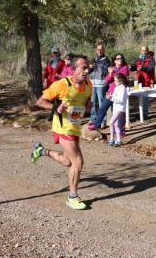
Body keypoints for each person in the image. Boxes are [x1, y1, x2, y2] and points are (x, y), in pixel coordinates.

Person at [31, 55, 92, 210]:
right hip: (62, 127)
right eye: (83, 68)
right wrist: (55, 108)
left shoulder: (88, 84)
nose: (87, 70)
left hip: (75, 126)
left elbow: (87, 103)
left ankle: (41, 150)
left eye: (87, 68)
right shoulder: (62, 85)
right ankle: (72, 197)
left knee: (67, 161)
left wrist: (90, 108)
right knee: (78, 161)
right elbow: (40, 101)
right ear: (72, 69)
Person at [89, 53, 130, 131]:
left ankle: (120, 131)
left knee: (119, 113)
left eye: (121, 58)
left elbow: (121, 79)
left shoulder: (125, 68)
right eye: (117, 59)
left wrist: (112, 73)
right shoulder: (113, 68)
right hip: (111, 93)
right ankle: (97, 124)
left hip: (119, 93)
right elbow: (107, 80)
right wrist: (110, 74)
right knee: (103, 108)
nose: (120, 60)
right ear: (114, 61)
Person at [88, 44, 111, 125]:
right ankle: (93, 118)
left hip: (101, 85)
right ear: (96, 50)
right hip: (92, 84)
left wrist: (97, 67)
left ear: (104, 50)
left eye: (101, 49)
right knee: (93, 102)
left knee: (101, 103)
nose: (99, 51)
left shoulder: (107, 61)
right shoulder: (93, 60)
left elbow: (106, 73)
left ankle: (103, 120)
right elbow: (89, 71)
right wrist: (90, 68)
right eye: (98, 49)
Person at [133, 45, 156, 118]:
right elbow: (135, 67)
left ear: (148, 50)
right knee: (138, 96)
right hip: (138, 80)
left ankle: (145, 114)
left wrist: (142, 68)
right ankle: (141, 113)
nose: (144, 52)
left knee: (145, 97)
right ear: (140, 51)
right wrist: (131, 67)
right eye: (142, 50)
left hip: (147, 80)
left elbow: (151, 69)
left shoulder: (151, 59)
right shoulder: (138, 59)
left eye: (145, 50)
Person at [107, 72, 128, 147]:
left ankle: (112, 138)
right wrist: (111, 96)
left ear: (120, 81)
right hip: (116, 107)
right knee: (116, 124)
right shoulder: (117, 88)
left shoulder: (123, 88)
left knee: (111, 122)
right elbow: (115, 98)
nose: (114, 82)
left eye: (115, 80)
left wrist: (111, 98)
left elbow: (121, 100)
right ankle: (118, 139)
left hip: (120, 108)